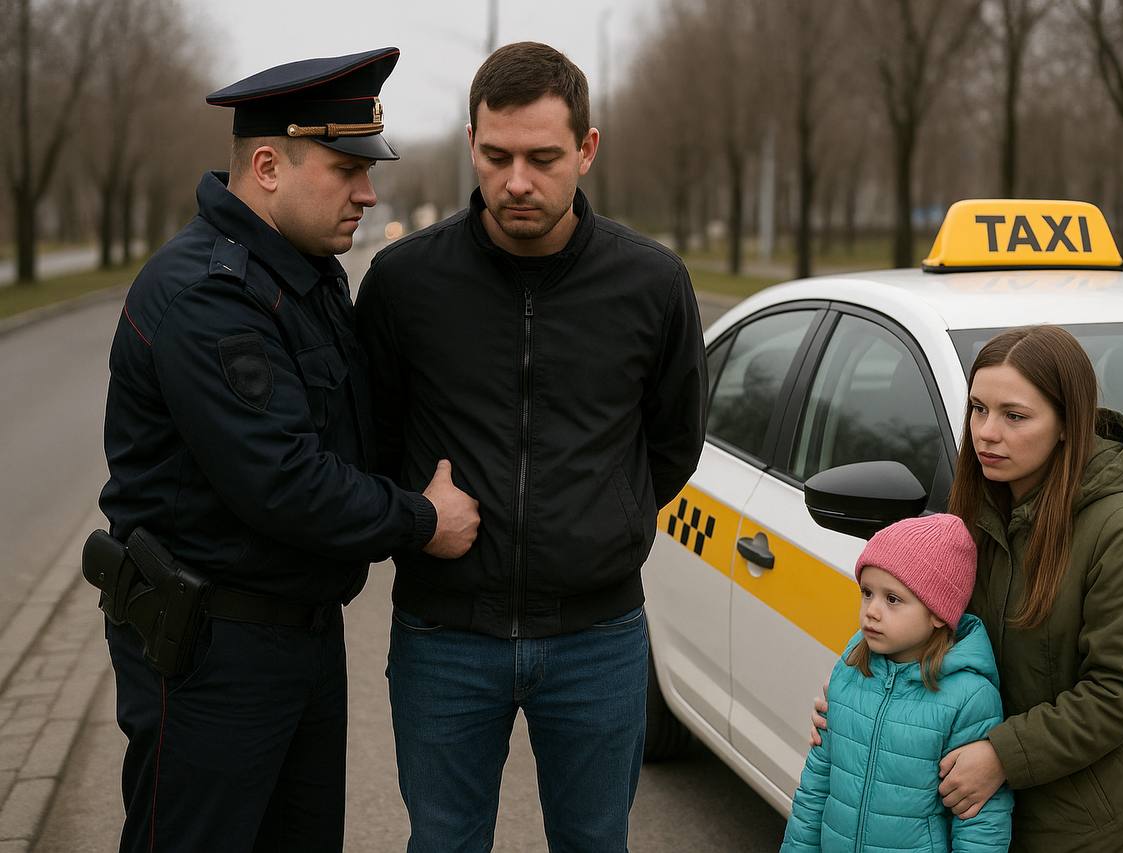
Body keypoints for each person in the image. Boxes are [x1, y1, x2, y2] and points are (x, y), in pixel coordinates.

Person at [95, 47, 479, 853]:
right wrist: (421, 519)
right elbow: (285, 481)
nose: (368, 193)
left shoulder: (301, 274)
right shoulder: (207, 295)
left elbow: (351, 429)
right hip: (211, 657)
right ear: (267, 165)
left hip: (296, 640)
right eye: (346, 169)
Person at [354, 41, 707, 853]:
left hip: (599, 639)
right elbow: (372, 436)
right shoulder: (406, 283)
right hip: (443, 636)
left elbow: (675, 441)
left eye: (543, 157)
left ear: (586, 150)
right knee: (442, 842)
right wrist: (416, 515)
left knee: (594, 841)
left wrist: (600, 517)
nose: (517, 181)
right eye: (497, 155)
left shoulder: (651, 284)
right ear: (471, 142)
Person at [810, 325, 1123, 852]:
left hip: (1079, 828)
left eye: (1014, 416)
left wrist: (1001, 755)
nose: (986, 432)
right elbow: (936, 637)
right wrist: (860, 703)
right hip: (975, 813)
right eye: (978, 410)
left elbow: (1122, 691)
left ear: (1068, 424)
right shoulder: (977, 507)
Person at [781, 513, 1013, 852]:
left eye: (892, 599)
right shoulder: (851, 671)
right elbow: (816, 787)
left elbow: (979, 822)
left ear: (937, 613)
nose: (871, 611)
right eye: (867, 593)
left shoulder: (968, 697)